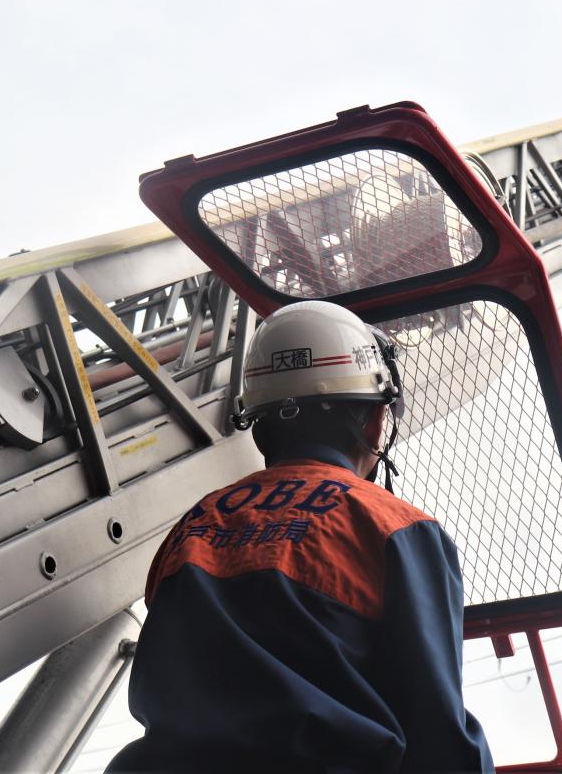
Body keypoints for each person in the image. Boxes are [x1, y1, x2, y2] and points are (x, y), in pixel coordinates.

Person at [108, 300, 494, 773]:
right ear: (374, 421)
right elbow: (438, 732)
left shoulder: (193, 527)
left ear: (259, 425)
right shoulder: (392, 527)